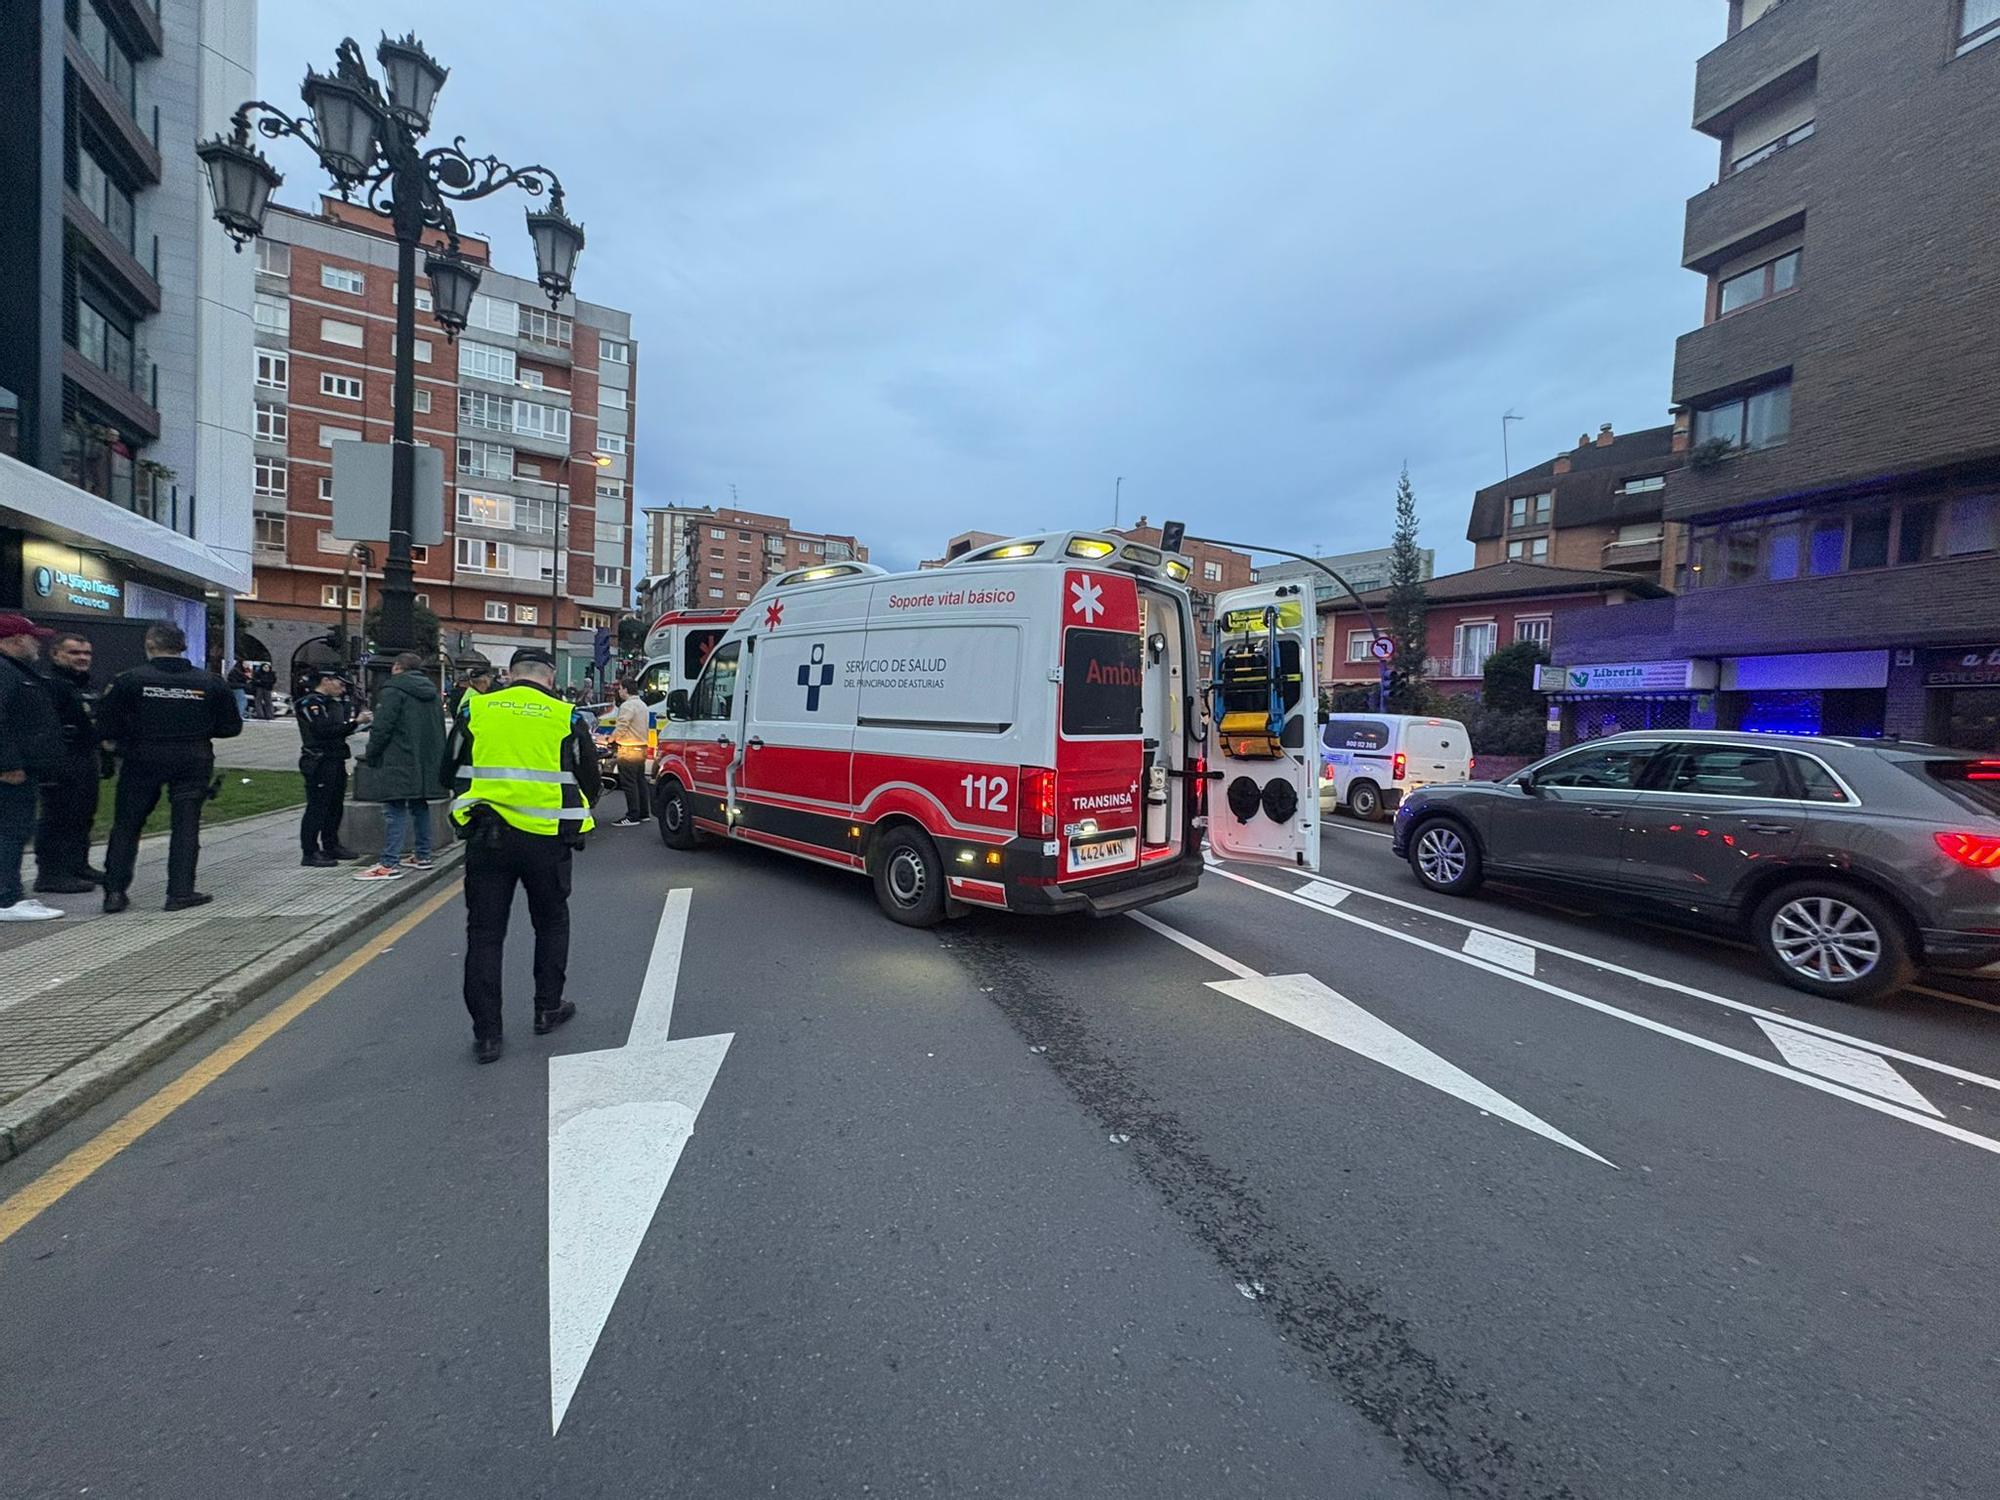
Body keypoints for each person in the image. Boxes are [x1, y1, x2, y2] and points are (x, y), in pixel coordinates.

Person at [448, 646, 599, 1064]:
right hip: (547, 840)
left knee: (484, 935)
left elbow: (449, 767)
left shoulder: (476, 710)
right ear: (550, 676)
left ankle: (487, 1036)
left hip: (487, 837)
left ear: (510, 674)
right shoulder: (565, 716)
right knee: (551, 924)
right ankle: (547, 1008)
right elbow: (589, 776)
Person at [97, 619, 242, 914]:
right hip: (192, 758)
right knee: (186, 826)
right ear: (183, 646)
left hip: (142, 758)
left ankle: (114, 891)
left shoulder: (129, 679)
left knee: (127, 825)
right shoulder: (210, 682)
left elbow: (106, 725)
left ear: (150, 644)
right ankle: (180, 892)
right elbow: (231, 727)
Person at [355, 652, 445, 881]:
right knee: (419, 804)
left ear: (397, 667)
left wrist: (372, 753)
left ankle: (388, 863)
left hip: (399, 758)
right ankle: (423, 855)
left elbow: (382, 727)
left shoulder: (393, 691)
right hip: (425, 761)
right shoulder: (432, 693)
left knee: (394, 809)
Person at [0, 614, 66, 922]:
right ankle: (6, 898)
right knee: (10, 831)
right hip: (11, 772)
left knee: (16, 829)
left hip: (23, 766)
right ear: (15, 640)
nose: (37, 643)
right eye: (32, 637)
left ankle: (11, 891)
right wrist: (7, 763)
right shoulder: (5, 672)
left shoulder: (16, 671)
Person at [34, 631, 104, 894]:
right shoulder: (51, 684)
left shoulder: (87, 685)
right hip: (61, 759)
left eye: (86, 653)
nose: (82, 658)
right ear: (56, 654)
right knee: (58, 816)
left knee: (83, 815)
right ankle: (51, 874)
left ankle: (77, 864)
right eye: (74, 653)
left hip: (86, 757)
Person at [295, 669, 362, 868]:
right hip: (319, 760)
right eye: (339, 684)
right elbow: (322, 730)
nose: (342, 689)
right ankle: (310, 851)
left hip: (335, 758)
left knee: (335, 805)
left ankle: (331, 844)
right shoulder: (311, 703)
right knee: (317, 807)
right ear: (326, 681)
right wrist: (355, 724)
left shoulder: (332, 704)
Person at [607, 676, 651, 826]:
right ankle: (644, 813)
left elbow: (622, 727)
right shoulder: (643, 705)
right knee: (640, 781)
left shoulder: (627, 706)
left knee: (629, 783)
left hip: (628, 748)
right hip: (642, 747)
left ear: (625, 689)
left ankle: (632, 816)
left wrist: (611, 739)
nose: (619, 692)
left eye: (620, 689)